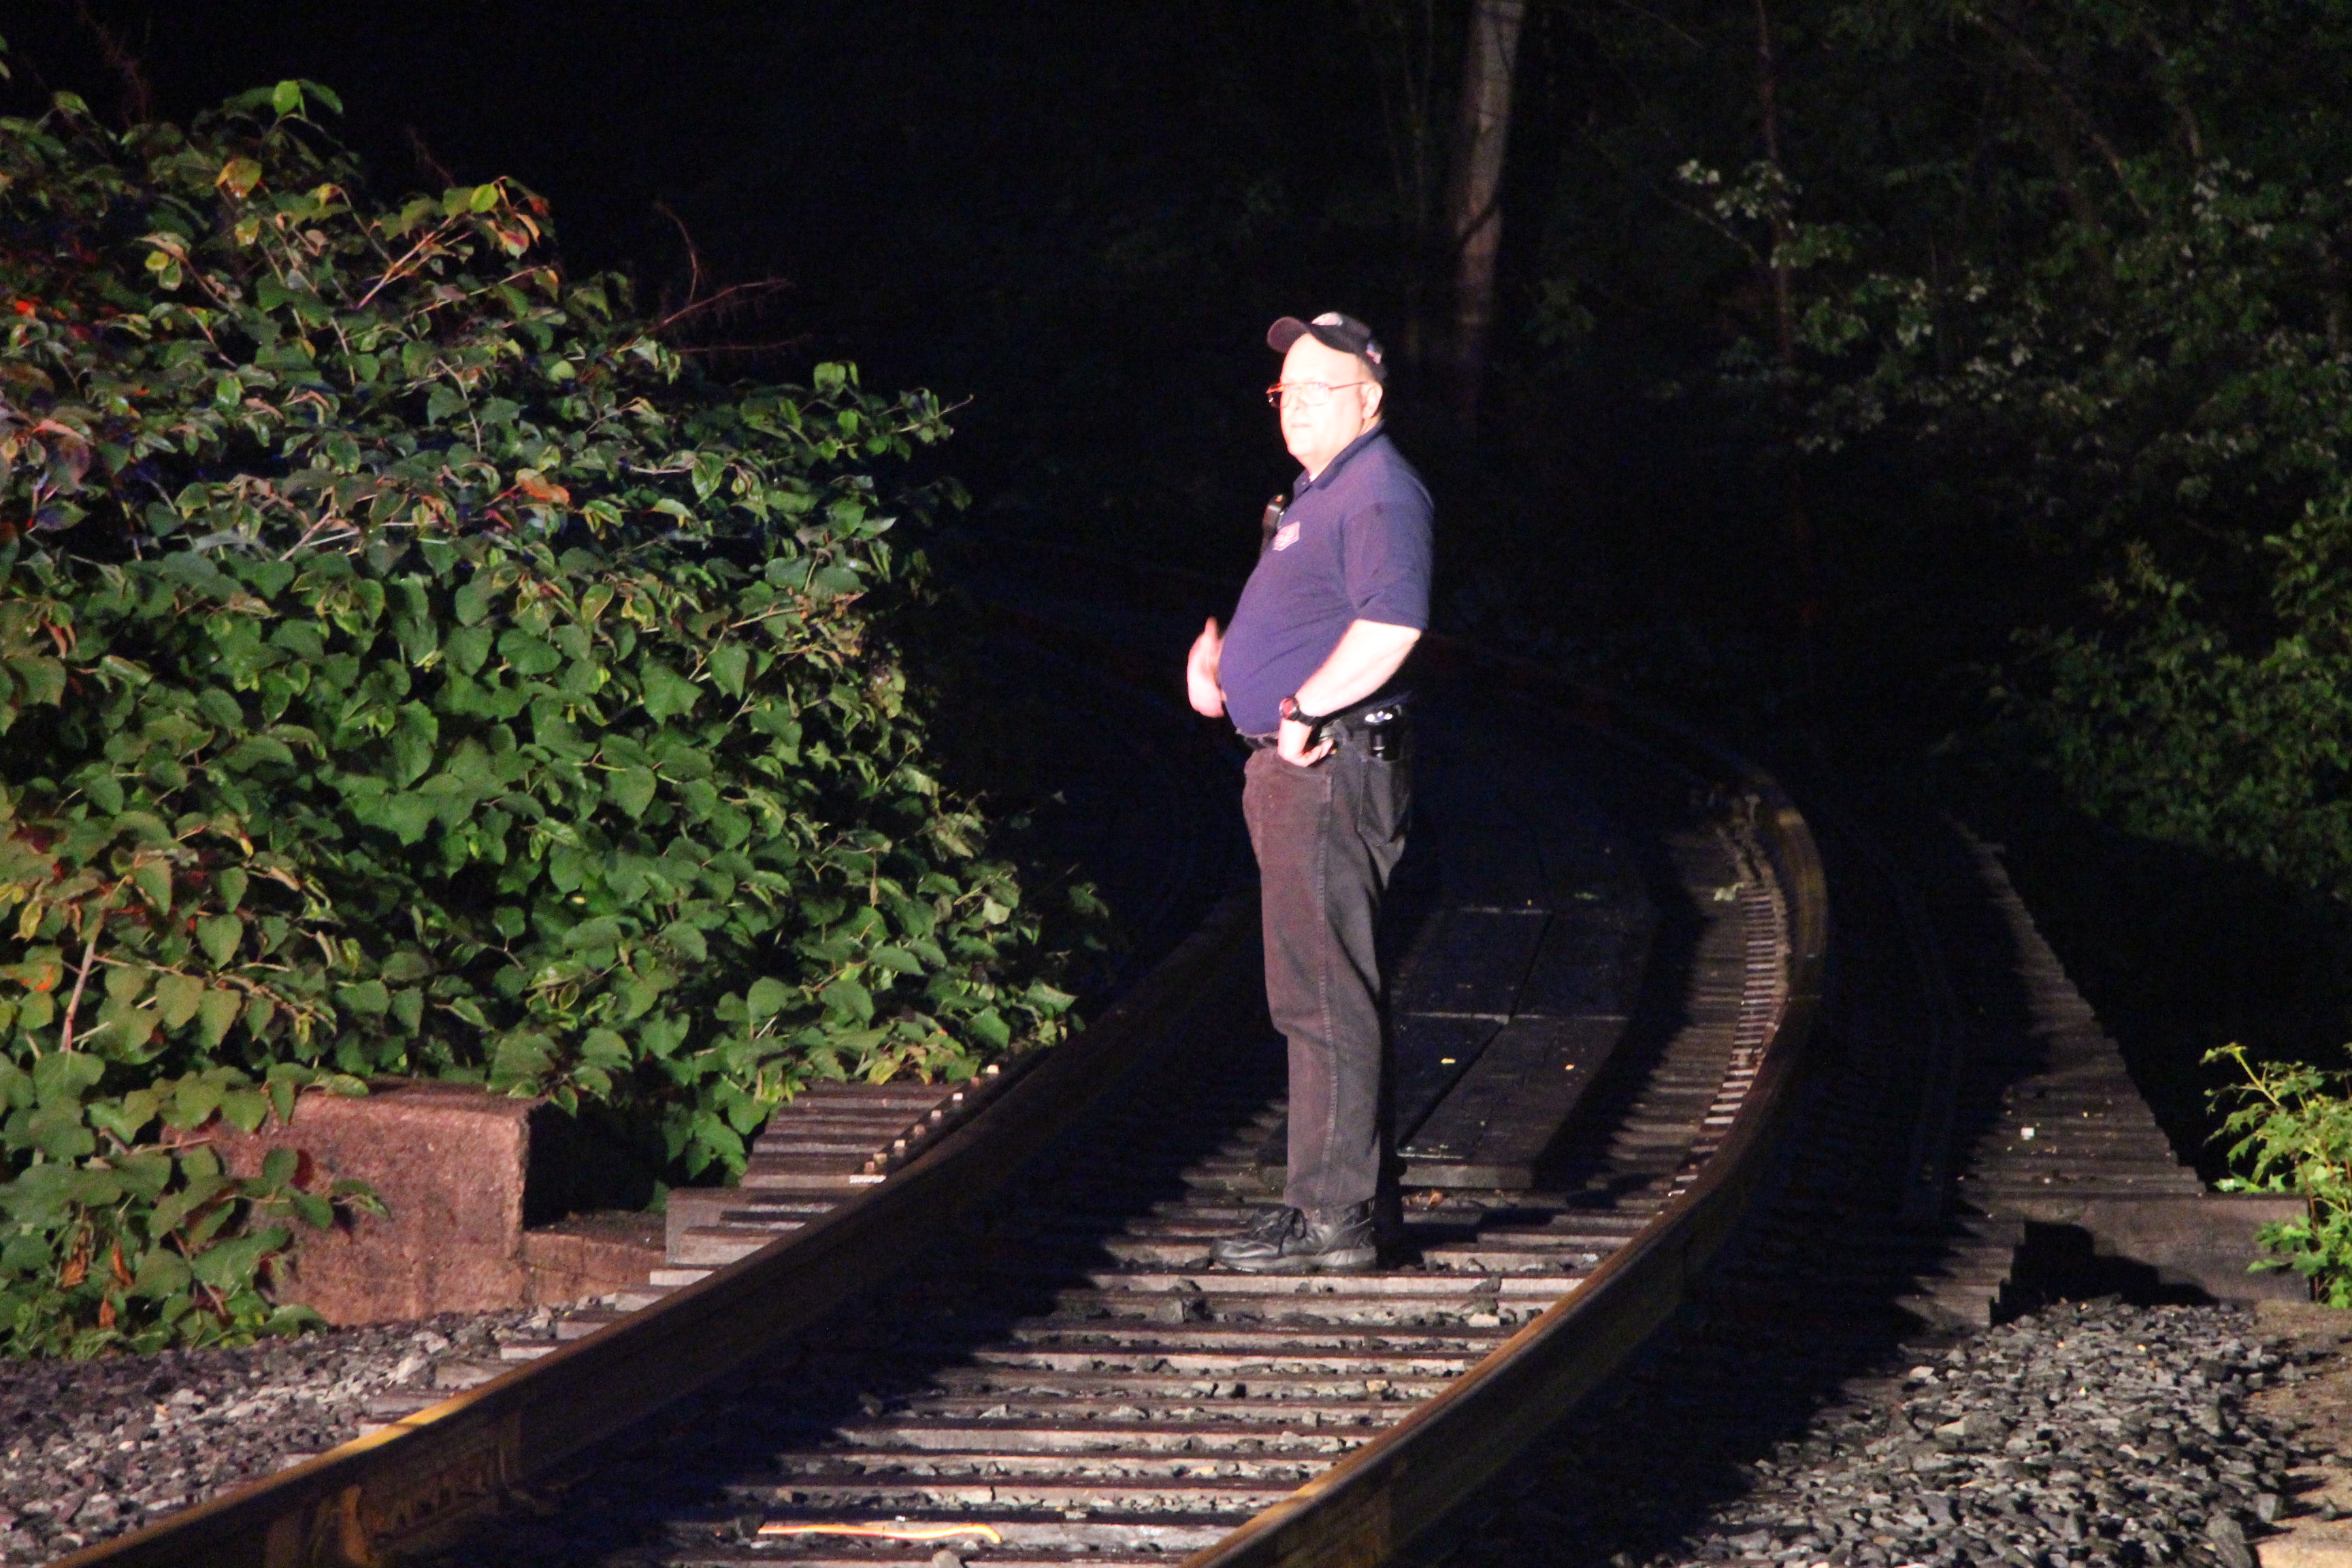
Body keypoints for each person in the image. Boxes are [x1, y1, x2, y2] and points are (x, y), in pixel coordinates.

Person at [1186, 310, 1431, 1274]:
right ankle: (1354, 1204)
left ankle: (1332, 1214)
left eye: (1318, 391)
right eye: (1285, 392)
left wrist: (1305, 705)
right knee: (1319, 985)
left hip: (1326, 765)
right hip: (1297, 765)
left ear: (1369, 398)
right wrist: (1224, 672)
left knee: (1319, 990)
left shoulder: (1378, 492)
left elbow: (1393, 625)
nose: (1294, 408)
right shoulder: (1317, 493)